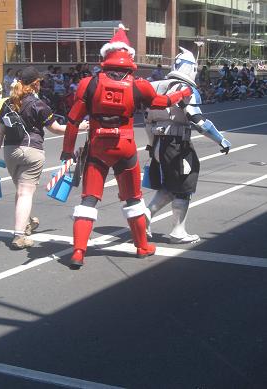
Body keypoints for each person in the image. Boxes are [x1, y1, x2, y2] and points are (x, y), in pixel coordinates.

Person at [60, 24, 192, 268]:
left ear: (106, 57)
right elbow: (161, 102)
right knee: (133, 199)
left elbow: (72, 121)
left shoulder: (88, 83)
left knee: (88, 199)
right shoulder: (138, 85)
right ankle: (142, 246)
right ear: (129, 57)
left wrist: (67, 151)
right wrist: (181, 92)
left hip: (98, 146)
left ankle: (79, 251)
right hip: (125, 146)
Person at [144, 47, 232, 243]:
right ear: (191, 68)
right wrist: (221, 140)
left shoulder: (156, 85)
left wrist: (151, 146)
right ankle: (178, 231)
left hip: (159, 142)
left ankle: (143, 217)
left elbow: (148, 121)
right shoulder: (184, 89)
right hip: (176, 144)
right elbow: (199, 121)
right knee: (184, 186)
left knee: (169, 185)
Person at [0, 66, 66, 249]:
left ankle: (27, 222)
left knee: (21, 192)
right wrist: (82, 127)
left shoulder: (8, 103)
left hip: (11, 152)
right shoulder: (39, 105)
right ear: (36, 84)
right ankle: (19, 236)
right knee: (25, 193)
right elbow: (55, 128)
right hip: (32, 151)